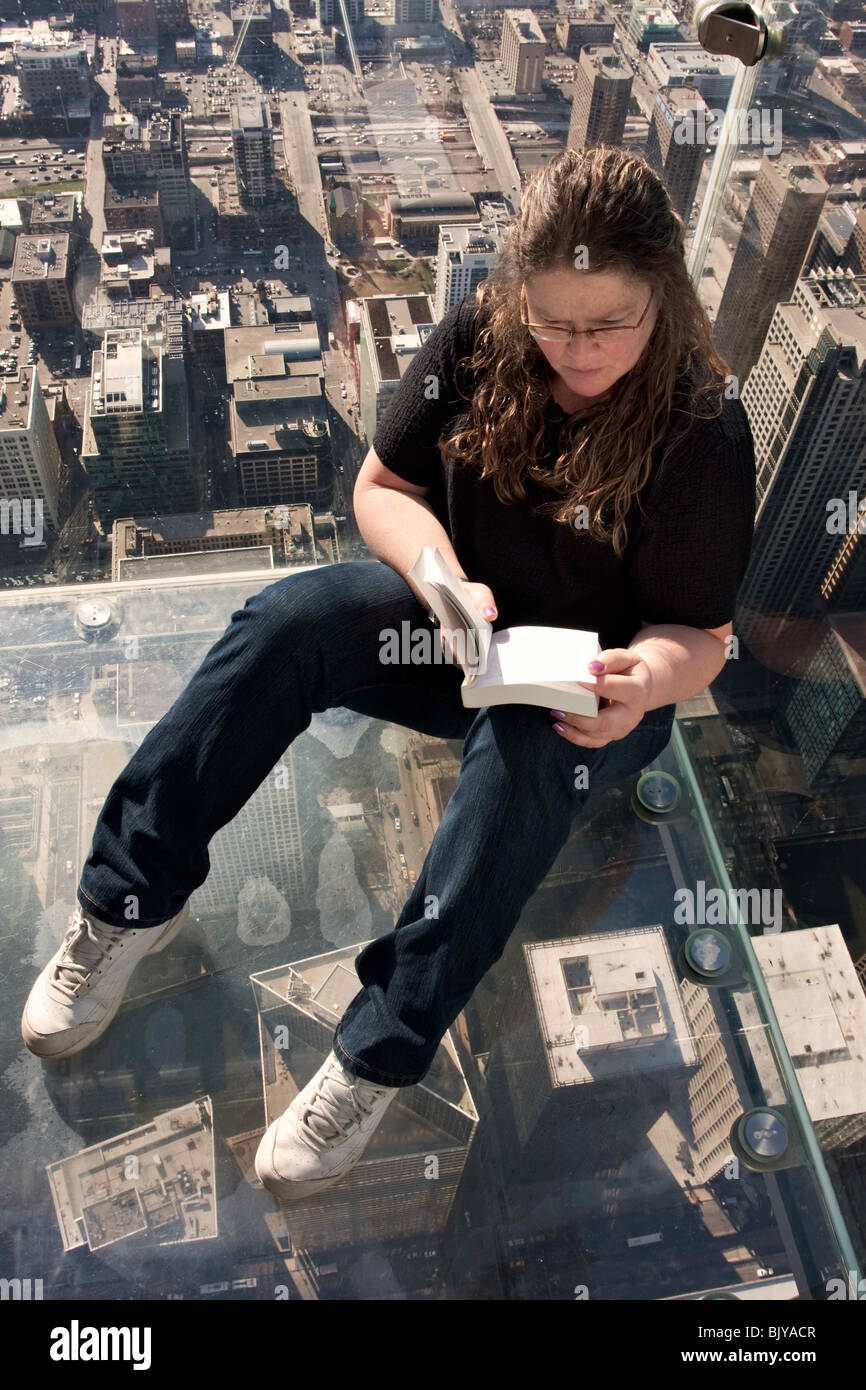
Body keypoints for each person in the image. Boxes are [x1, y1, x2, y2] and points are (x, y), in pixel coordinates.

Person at [21, 146, 755, 1202]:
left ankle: (375, 1053)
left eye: (610, 324)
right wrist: (439, 574)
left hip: (591, 683)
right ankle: (130, 900)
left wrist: (643, 676)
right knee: (288, 621)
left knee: (521, 756)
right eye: (553, 319)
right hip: (455, 625)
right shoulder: (484, 334)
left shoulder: (697, 425)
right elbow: (382, 485)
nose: (576, 351)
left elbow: (703, 635)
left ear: (665, 300)